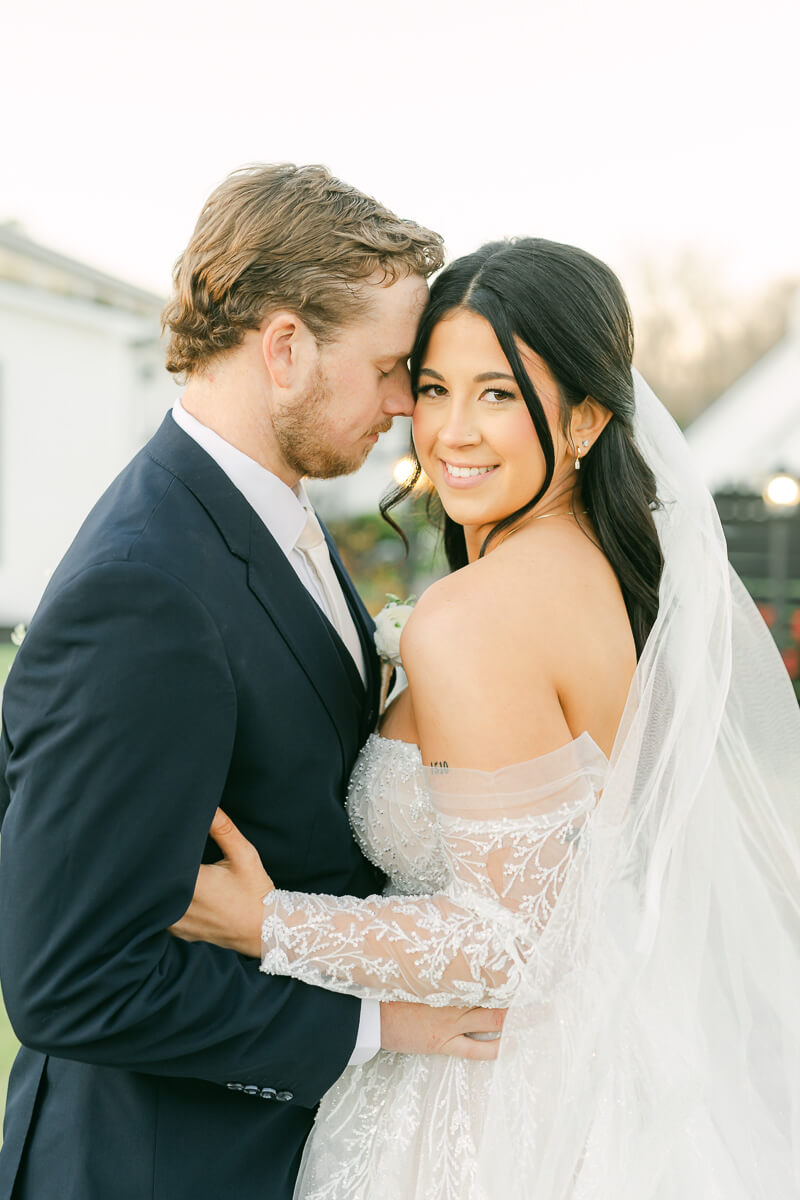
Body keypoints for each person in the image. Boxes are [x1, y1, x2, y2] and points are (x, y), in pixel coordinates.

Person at [172, 238, 800, 1199]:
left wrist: (267, 922)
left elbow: (511, 940)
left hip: (485, 1111)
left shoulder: (475, 617)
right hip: (597, 1072)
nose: (450, 432)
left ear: (586, 417)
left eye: (499, 393)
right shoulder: (604, 578)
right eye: (431, 388)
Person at [0, 165, 505, 1200]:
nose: (406, 405)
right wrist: (381, 1024)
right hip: (154, 1164)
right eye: (389, 369)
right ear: (284, 349)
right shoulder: (142, 592)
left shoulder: (272, 514)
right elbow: (70, 982)